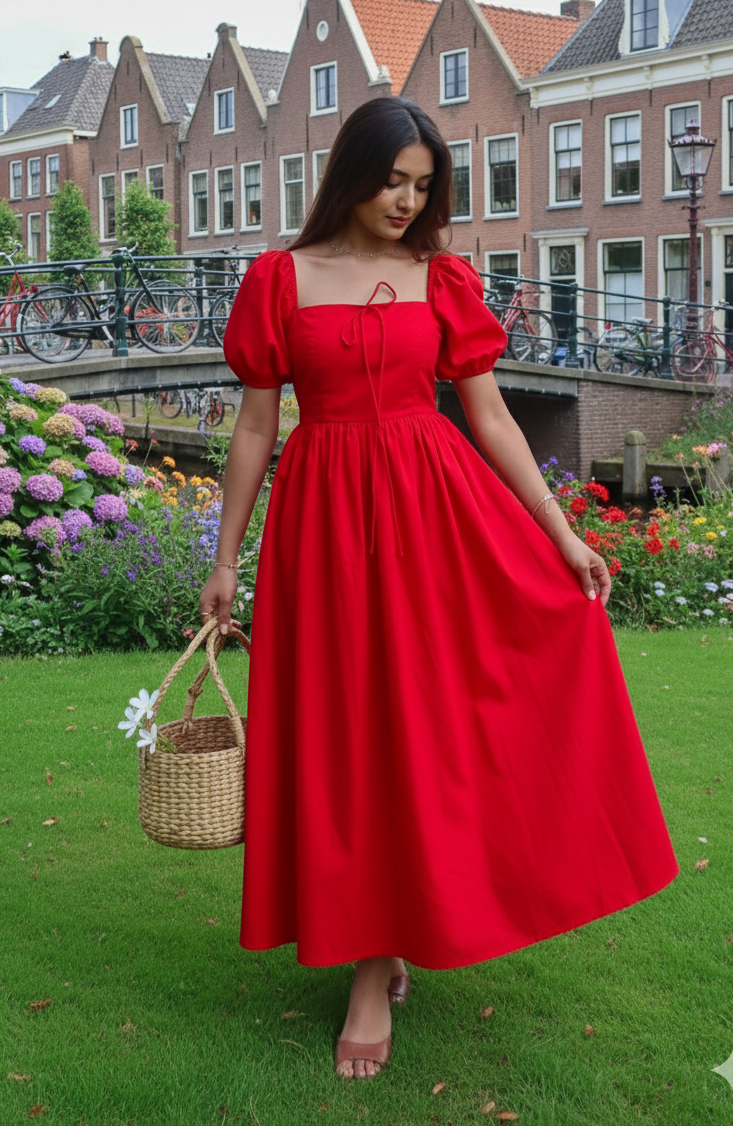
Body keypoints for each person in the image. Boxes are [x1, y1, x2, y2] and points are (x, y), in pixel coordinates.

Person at [198, 96, 679, 1080]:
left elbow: (493, 418)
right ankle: (375, 952)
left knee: (425, 730)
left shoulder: (441, 278)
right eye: (392, 181)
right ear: (350, 174)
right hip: (323, 528)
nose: (407, 202)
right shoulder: (277, 279)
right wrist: (224, 558)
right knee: (348, 739)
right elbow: (255, 427)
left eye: (423, 186)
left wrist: (563, 533)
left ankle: (382, 959)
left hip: (434, 517)